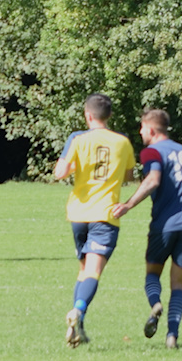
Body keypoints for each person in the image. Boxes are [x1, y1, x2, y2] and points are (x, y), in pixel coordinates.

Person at [53, 94, 139, 347]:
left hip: (78, 214)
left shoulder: (77, 139)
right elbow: (129, 176)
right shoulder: (123, 141)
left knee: (83, 271)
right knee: (93, 271)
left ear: (87, 115)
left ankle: (79, 326)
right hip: (105, 215)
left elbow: (60, 173)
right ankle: (78, 311)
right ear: (109, 116)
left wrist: (76, 167)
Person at [111, 109, 182, 348]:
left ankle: (156, 304)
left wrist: (128, 204)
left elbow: (152, 180)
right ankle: (172, 335)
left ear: (151, 129)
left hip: (165, 225)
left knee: (152, 274)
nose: (140, 132)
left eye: (142, 128)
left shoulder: (151, 151)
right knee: (178, 285)